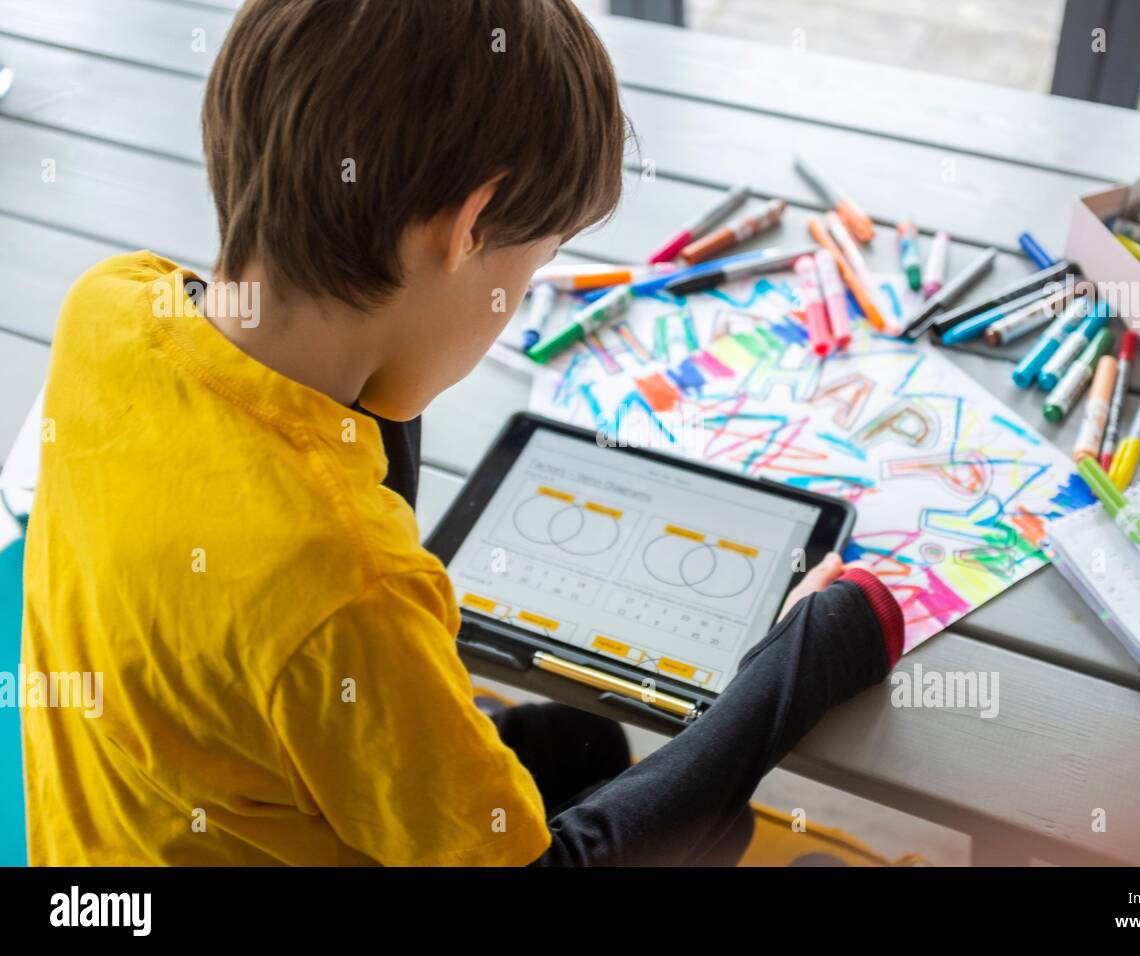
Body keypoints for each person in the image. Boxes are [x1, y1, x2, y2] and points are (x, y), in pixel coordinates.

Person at [21, 0, 901, 867]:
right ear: (471, 226)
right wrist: (803, 661)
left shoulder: (108, 303)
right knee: (714, 823)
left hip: (118, 836)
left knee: (585, 746)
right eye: (538, 261)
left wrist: (393, 361)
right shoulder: (347, 589)